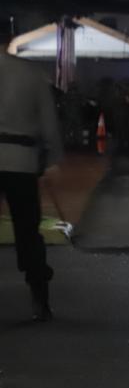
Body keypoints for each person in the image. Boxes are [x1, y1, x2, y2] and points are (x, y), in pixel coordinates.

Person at [0, 33, 63, 320]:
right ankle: (40, 297)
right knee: (27, 231)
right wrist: (52, 159)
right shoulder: (30, 74)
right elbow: (48, 121)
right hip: (21, 161)